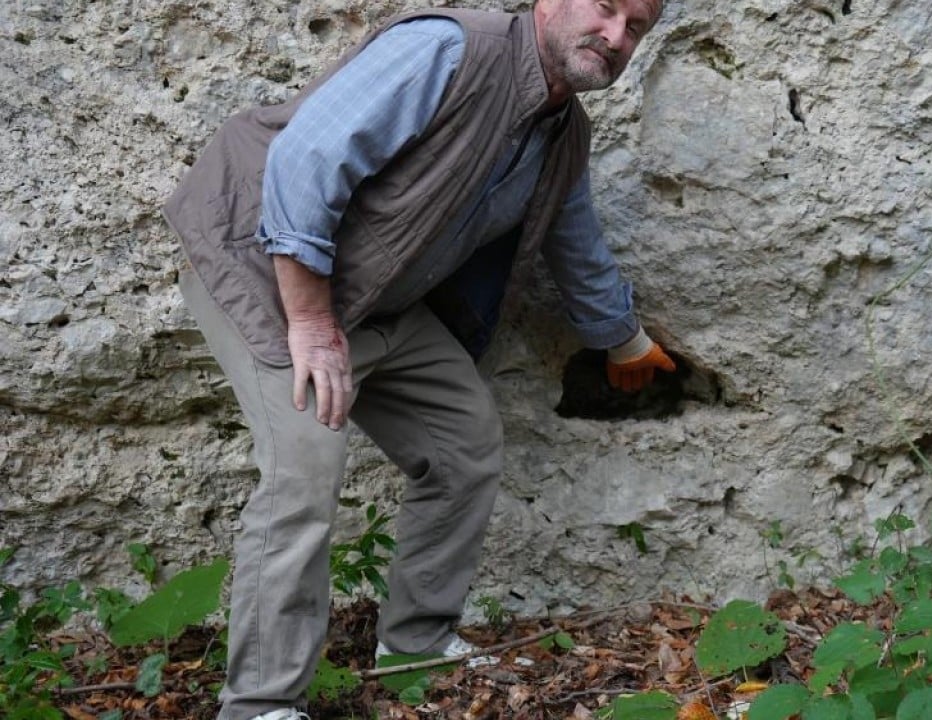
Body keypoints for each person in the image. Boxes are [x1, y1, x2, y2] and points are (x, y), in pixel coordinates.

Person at [163, 0, 672, 716]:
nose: (616, 36)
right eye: (606, 8)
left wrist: (625, 342)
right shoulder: (450, 50)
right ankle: (260, 703)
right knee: (304, 473)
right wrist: (309, 322)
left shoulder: (564, 135)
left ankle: (414, 649)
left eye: (637, 27)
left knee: (465, 447)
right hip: (263, 271)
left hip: (376, 304)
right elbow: (306, 158)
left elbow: (575, 241)